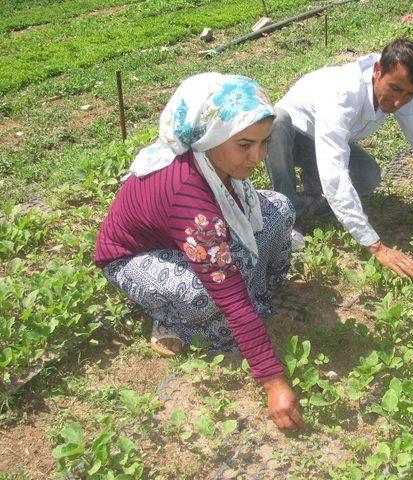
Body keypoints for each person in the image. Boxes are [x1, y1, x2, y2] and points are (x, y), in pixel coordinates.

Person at [94, 73, 304, 430]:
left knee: (279, 208)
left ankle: (257, 292)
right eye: (245, 145)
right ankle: (172, 320)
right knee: (204, 296)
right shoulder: (187, 194)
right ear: (208, 137)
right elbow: (231, 297)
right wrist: (273, 380)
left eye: (264, 142)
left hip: (192, 236)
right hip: (133, 257)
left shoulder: (215, 162)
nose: (258, 157)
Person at [265, 38, 413, 279]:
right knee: (276, 122)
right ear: (378, 71)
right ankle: (288, 217)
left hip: (323, 139)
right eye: (395, 89)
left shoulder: (405, 94)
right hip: (290, 138)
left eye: (410, 94)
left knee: (367, 176)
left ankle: (311, 197)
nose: (400, 101)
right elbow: (334, 173)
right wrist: (374, 245)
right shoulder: (342, 94)